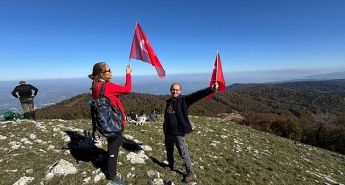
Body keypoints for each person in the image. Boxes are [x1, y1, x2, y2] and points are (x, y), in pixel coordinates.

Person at [163, 82, 218, 183]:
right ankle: (170, 165)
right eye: (173, 89)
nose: (175, 91)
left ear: (180, 91)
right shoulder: (169, 101)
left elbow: (196, 95)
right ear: (171, 90)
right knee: (169, 150)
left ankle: (190, 172)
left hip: (178, 132)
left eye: (177, 90)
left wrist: (210, 89)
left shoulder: (184, 100)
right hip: (168, 132)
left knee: (183, 152)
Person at [89, 62, 132, 185]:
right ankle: (112, 175)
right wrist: (128, 74)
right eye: (109, 70)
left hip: (105, 122)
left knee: (112, 142)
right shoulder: (107, 86)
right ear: (102, 74)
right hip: (113, 122)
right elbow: (127, 89)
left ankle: (110, 164)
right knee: (115, 144)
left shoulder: (96, 86)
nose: (111, 72)